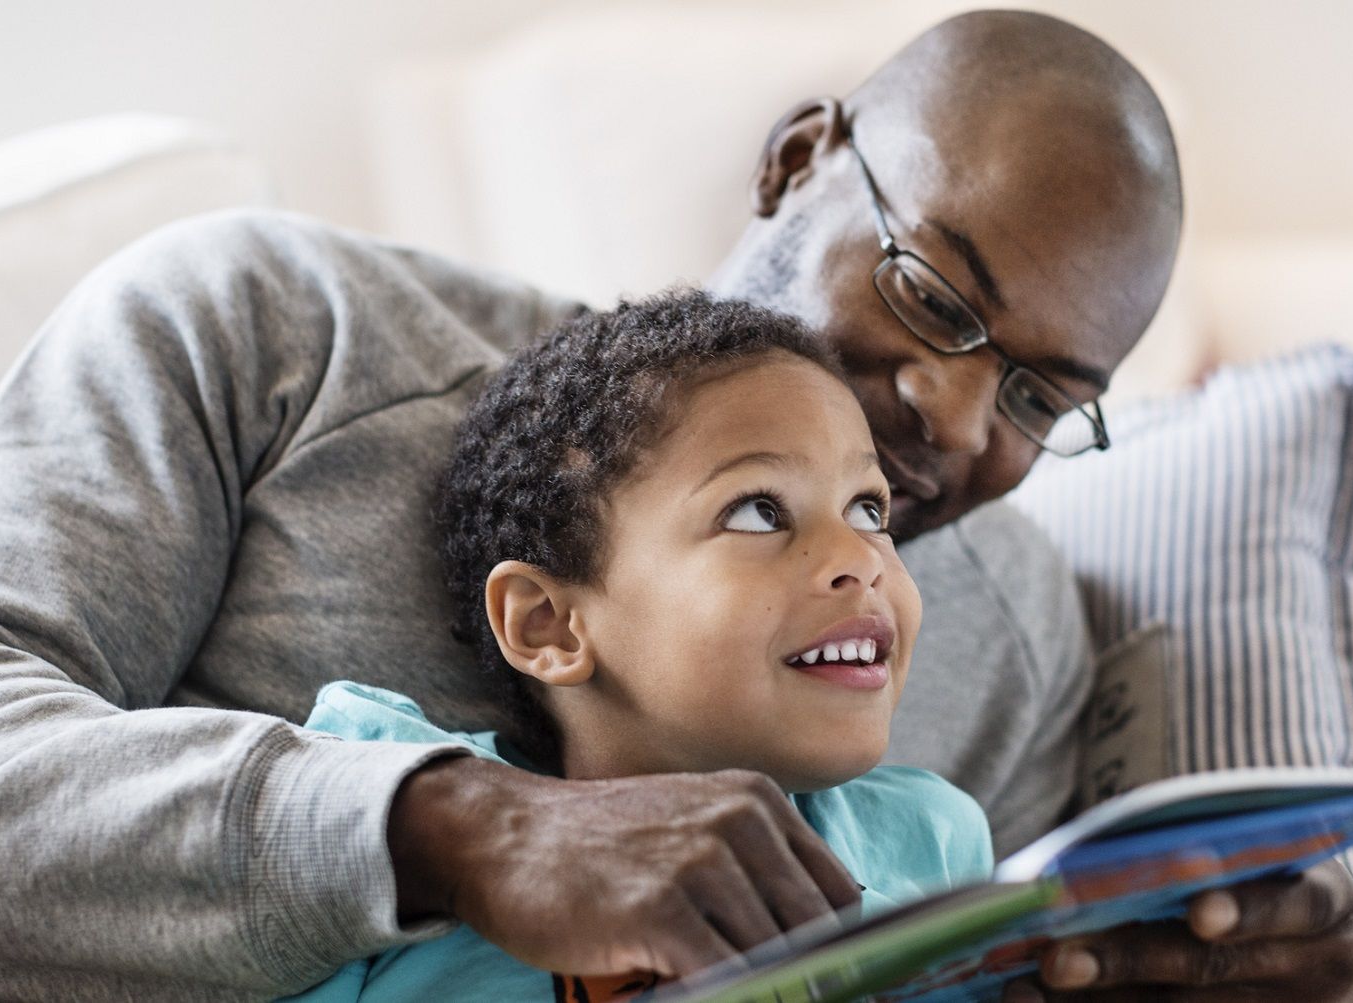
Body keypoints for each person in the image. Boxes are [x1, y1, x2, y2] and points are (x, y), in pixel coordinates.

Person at [0, 11, 1353, 1003]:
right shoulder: (282, 325)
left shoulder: (1010, 622)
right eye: (929, 289)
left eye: (1044, 396)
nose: (951, 419)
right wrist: (454, 827)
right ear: (800, 159)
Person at [289, 289, 995, 1001]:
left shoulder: (932, 841)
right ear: (548, 624)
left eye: (868, 509)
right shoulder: (388, 809)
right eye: (758, 511)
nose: (862, 556)